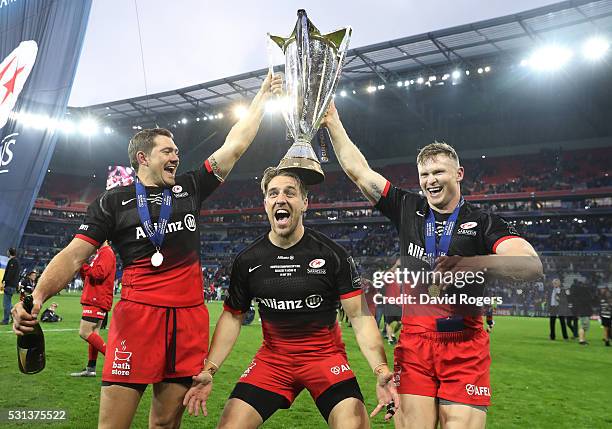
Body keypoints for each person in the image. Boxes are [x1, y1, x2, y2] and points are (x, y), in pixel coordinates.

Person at [12, 73, 281, 429]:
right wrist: (39, 295)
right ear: (143, 157)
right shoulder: (114, 201)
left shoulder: (190, 187)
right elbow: (74, 254)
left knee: (165, 425)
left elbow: (234, 146)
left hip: (187, 321)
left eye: (176, 151)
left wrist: (261, 96)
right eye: (167, 151)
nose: (176, 156)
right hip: (138, 320)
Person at [321, 102, 542, 429]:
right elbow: (359, 171)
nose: (431, 181)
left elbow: (530, 264)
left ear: (458, 174)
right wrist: (333, 122)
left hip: (465, 347)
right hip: (414, 345)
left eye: (438, 172)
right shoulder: (407, 207)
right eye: (424, 175)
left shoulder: (482, 223)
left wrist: (474, 263)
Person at [183, 168, 398, 428]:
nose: (280, 199)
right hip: (273, 361)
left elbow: (359, 317)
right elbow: (232, 316)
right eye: (273, 193)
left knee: (354, 425)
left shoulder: (333, 255)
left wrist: (381, 369)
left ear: (305, 203)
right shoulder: (248, 260)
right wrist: (209, 369)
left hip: (324, 358)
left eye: (290, 193)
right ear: (265, 204)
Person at [71, 241, 116, 377]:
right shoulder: (100, 253)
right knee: (94, 334)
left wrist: (82, 264)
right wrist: (83, 269)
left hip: (97, 298)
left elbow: (100, 273)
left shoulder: (106, 253)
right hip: (97, 297)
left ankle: (115, 361)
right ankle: (91, 369)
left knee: (84, 332)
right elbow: (91, 276)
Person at [1, 247, 19, 324]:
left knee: (6, 304)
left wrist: (5, 282)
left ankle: (6, 320)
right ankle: (16, 316)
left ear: (9, 252)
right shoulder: (16, 261)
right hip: (13, 285)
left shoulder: (13, 261)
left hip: (10, 285)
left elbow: (10, 274)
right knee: (8, 303)